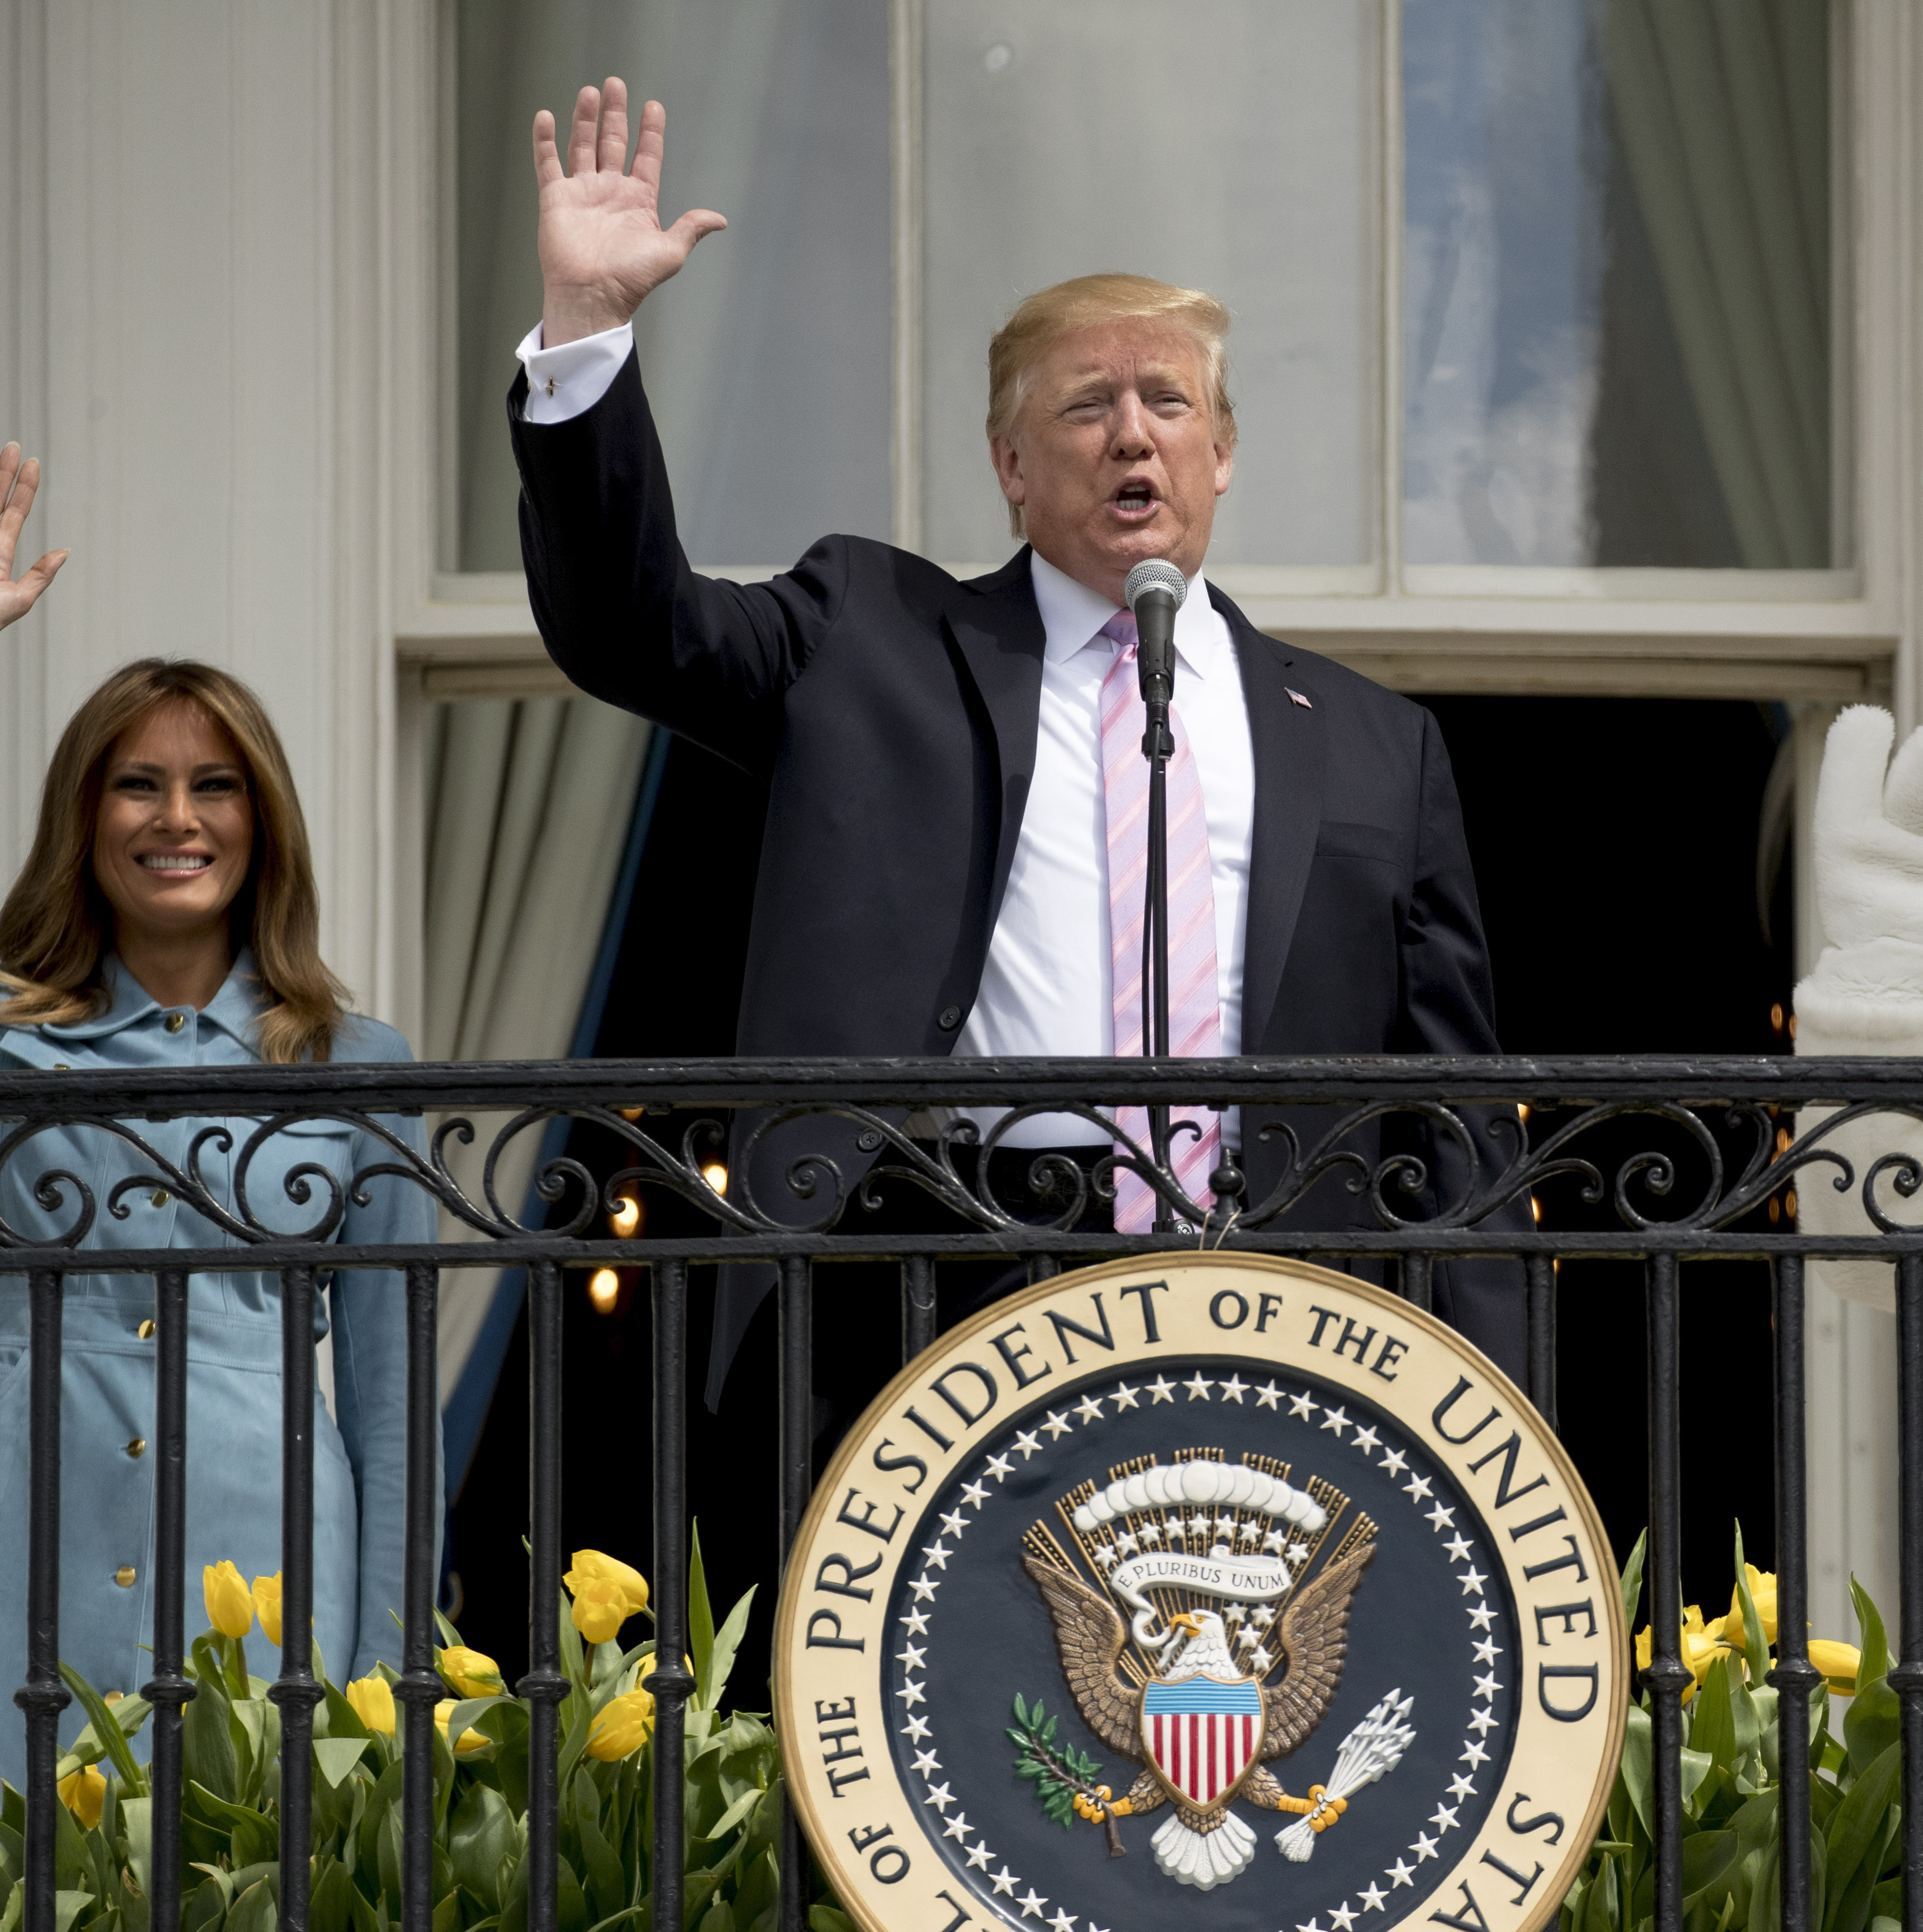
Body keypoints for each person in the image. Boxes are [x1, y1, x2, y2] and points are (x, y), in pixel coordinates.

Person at [506, 82, 1525, 1398]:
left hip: (1289, 1310)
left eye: (1168, 400)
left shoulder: (1379, 745)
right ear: (1009, 465)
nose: (1132, 432)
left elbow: (1461, 1114)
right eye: (1086, 405)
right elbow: (634, 632)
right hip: (962, 1279)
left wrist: (1503, 1435)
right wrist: (588, 332)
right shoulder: (871, 638)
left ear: (1222, 455)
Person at [0, 444, 430, 1792]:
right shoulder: (0, 1041)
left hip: (266, 1560)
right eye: (138, 783)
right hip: (18, 1530)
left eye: (215, 786)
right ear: (86, 817)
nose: (177, 816)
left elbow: (389, 1409)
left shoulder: (355, 1067)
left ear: (262, 823)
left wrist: (385, 1679)